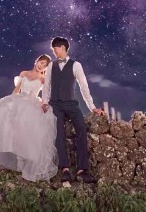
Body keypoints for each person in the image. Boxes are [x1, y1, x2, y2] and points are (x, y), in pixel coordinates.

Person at [41, 36, 105, 183]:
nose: (54, 52)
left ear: (62, 48)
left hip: (71, 103)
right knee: (58, 131)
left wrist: (92, 107)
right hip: (55, 104)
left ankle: (83, 170)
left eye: (55, 49)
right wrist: (44, 102)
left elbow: (84, 87)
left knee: (82, 129)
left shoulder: (76, 65)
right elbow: (46, 86)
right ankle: (65, 169)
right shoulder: (51, 66)